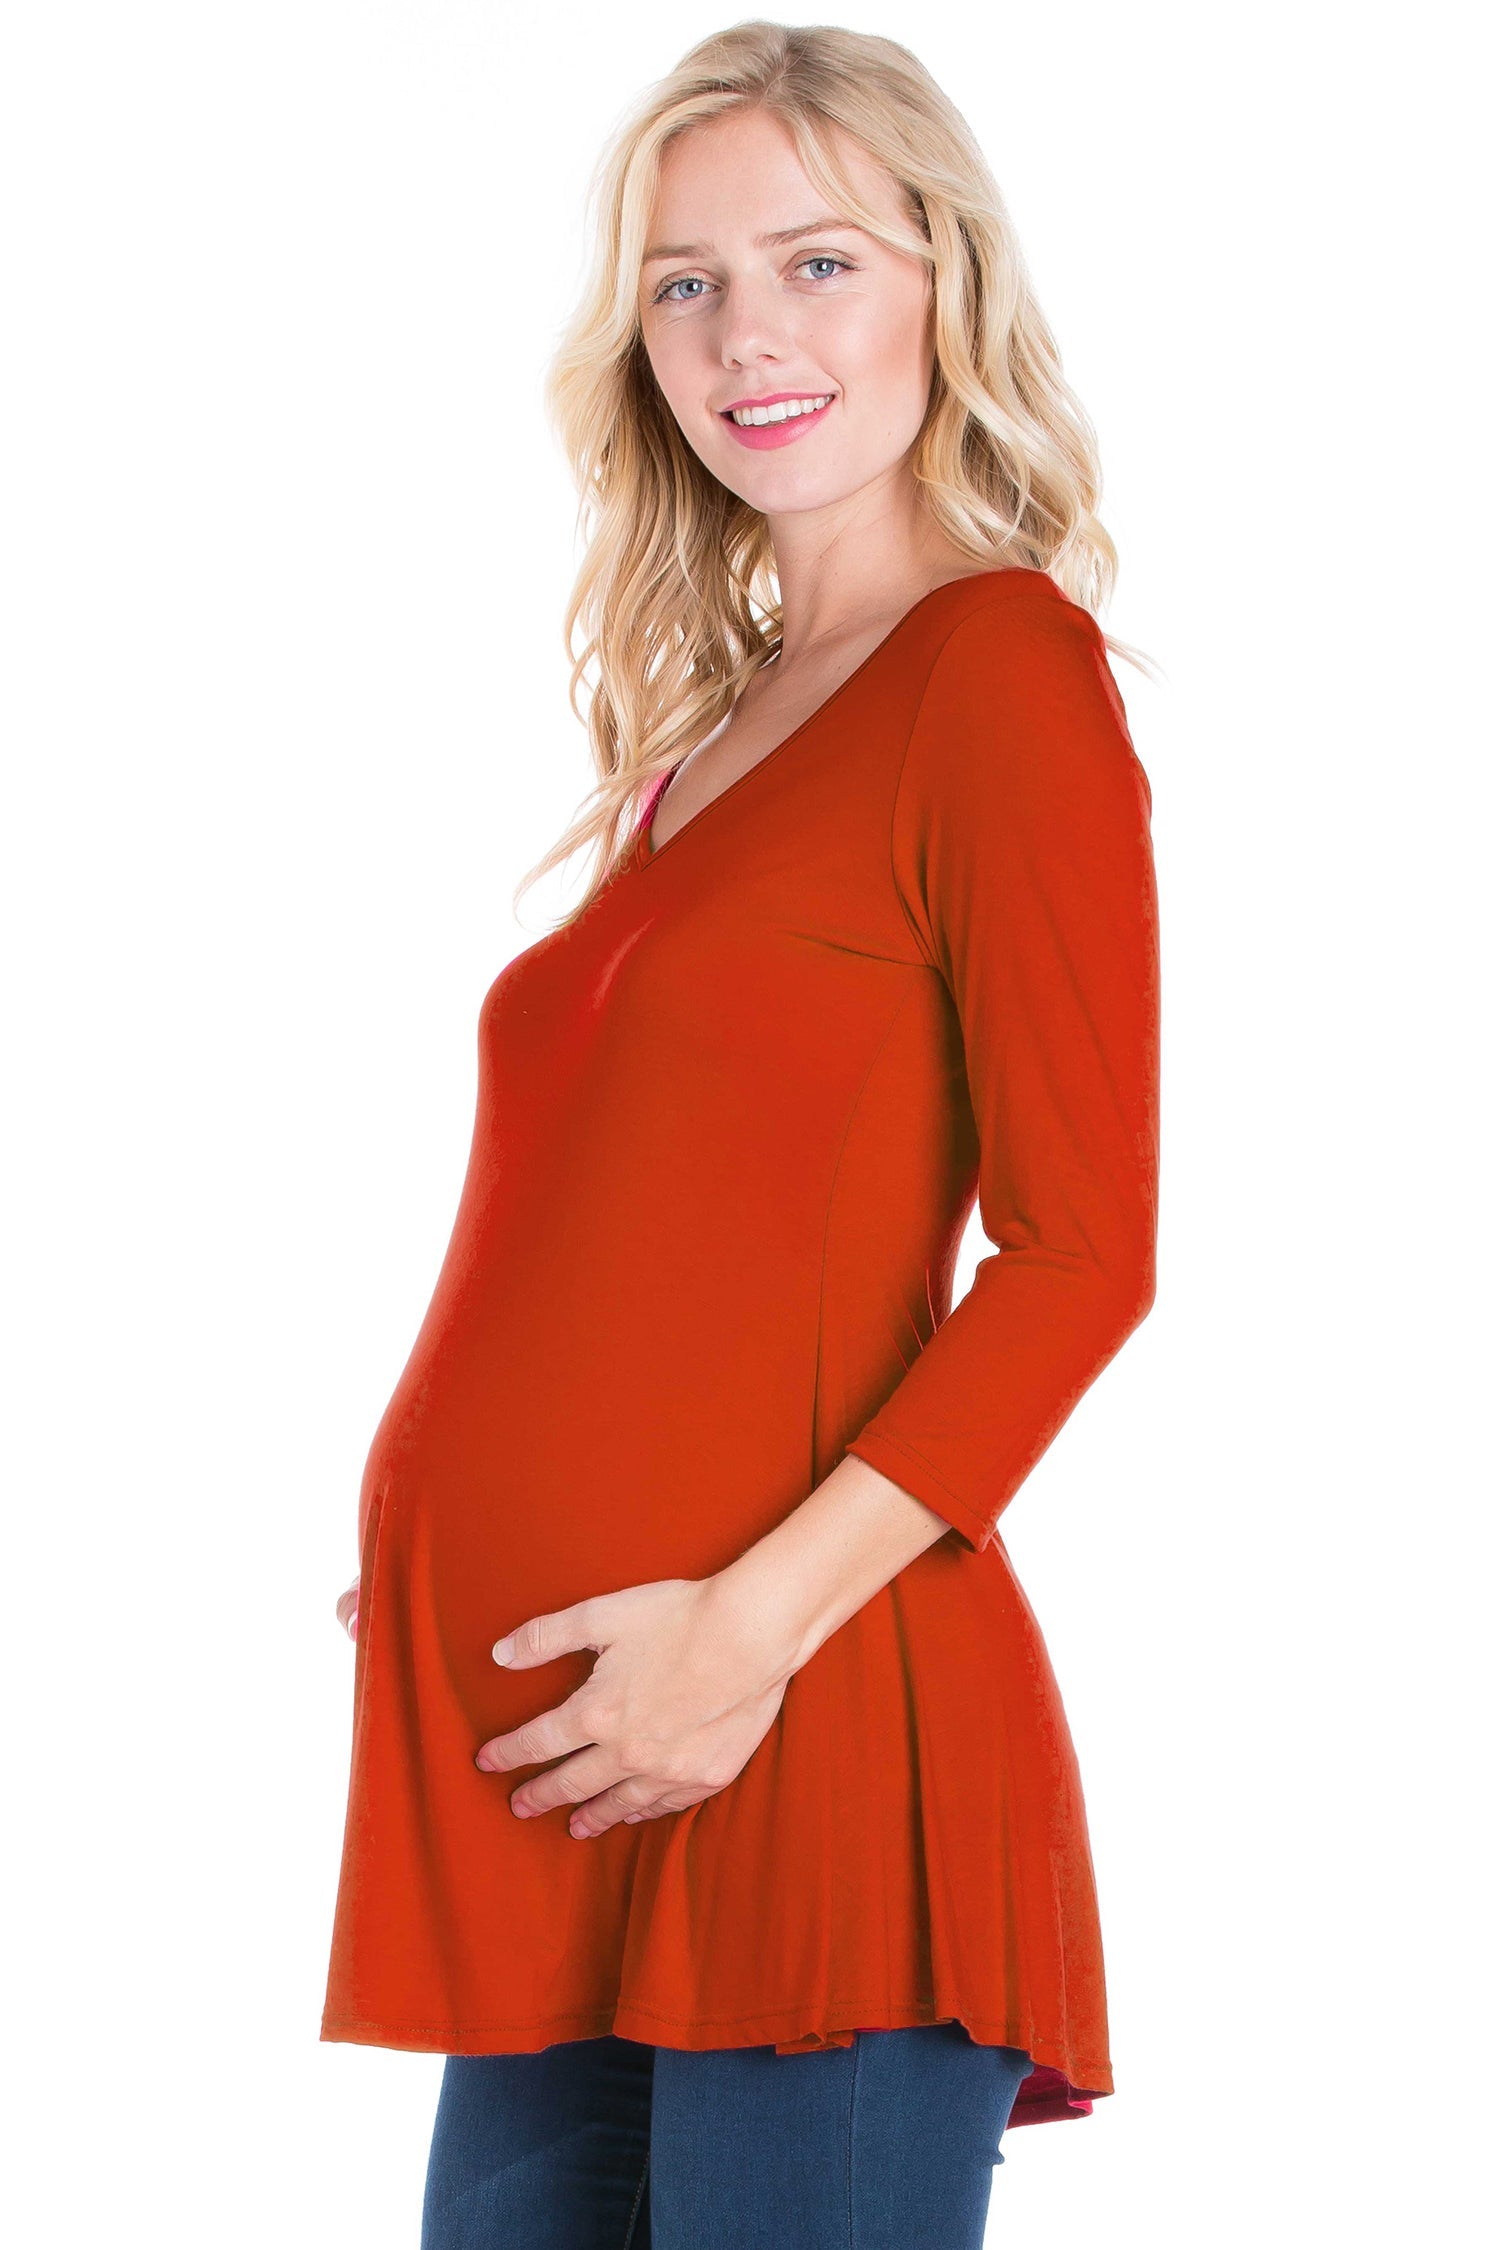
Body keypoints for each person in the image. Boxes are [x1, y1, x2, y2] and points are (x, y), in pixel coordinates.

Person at [322, 22, 1161, 2248]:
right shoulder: (709, 735)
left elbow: (1084, 1258)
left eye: (816, 262)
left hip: (809, 1741)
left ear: (945, 281)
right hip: (575, 1769)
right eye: (683, 283)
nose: (744, 336)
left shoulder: (999, 673)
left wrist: (738, 1634)